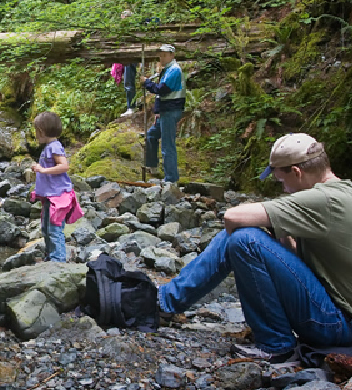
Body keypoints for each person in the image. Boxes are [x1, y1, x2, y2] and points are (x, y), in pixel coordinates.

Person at [159, 133, 352, 363]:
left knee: (245, 239)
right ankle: (165, 301)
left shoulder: (321, 200)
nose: (284, 190)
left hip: (337, 324)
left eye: (282, 182)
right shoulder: (343, 191)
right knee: (249, 233)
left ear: (297, 173)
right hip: (336, 314)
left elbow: (232, 217)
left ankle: (276, 344)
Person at [29, 112, 83, 262]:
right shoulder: (49, 147)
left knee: (54, 228)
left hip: (58, 196)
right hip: (49, 195)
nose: (35, 134)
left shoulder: (55, 147)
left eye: (36, 131)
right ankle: (50, 256)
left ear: (42, 131)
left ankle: (58, 260)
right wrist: (39, 167)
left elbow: (64, 166)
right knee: (46, 228)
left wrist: (43, 170)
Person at [142, 43, 185, 183]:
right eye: (161, 54)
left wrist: (147, 83)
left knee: (167, 145)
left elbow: (162, 89)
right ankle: (152, 166)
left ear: (172, 55)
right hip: (165, 111)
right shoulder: (166, 70)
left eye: (165, 54)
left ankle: (171, 179)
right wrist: (158, 111)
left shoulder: (174, 70)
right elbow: (162, 95)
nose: (162, 57)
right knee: (152, 135)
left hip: (171, 111)